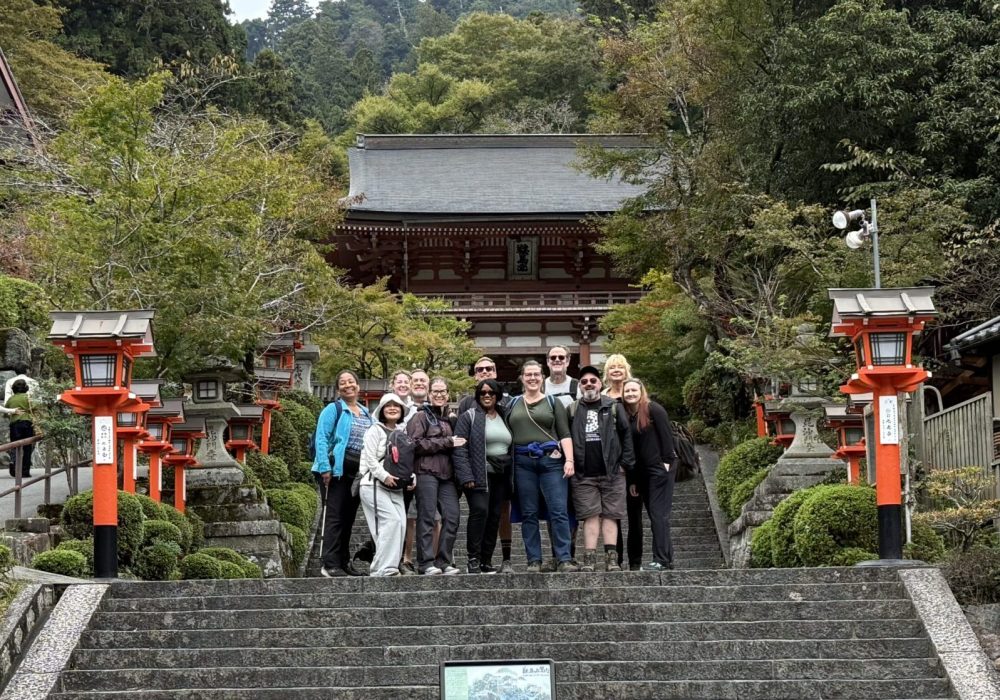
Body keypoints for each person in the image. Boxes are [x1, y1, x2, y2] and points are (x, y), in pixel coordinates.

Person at [509, 360, 578, 573]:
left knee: (558, 510)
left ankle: (564, 558)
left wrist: (569, 459)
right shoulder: (512, 404)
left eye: (536, 374)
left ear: (542, 377)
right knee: (529, 512)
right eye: (528, 374)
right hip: (522, 462)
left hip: (551, 461)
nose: (532, 378)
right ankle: (533, 560)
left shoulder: (552, 402)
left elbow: (564, 433)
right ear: (522, 377)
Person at [569, 366, 635, 572]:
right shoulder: (572, 409)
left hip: (612, 472)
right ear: (580, 386)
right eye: (584, 381)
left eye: (593, 380)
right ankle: (589, 558)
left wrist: (625, 464)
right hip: (583, 473)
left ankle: (611, 558)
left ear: (600, 384)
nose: (589, 384)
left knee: (610, 515)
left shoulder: (614, 406)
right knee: (590, 516)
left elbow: (626, 436)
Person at [456, 357, 515, 574]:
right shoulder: (469, 416)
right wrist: (465, 476)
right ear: (477, 395)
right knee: (479, 512)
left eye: (491, 393)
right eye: (483, 393)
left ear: (497, 394)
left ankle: (486, 560)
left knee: (495, 516)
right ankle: (473, 558)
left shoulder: (505, 414)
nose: (487, 396)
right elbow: (459, 448)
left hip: (501, 474)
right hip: (478, 474)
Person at [312, 370, 372, 577]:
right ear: (338, 389)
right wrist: (324, 468)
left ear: (358, 385)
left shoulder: (366, 413)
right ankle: (330, 563)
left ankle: (345, 562)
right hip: (335, 469)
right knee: (335, 516)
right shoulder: (333, 409)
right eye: (343, 383)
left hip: (358, 472)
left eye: (351, 381)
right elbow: (321, 438)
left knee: (348, 518)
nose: (348, 385)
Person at [408, 376, 464, 575]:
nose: (439, 395)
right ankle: (426, 563)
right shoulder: (421, 417)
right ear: (429, 395)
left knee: (452, 516)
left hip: (447, 476)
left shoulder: (450, 419)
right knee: (427, 517)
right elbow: (415, 444)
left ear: (448, 395)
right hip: (426, 472)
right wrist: (446, 442)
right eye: (436, 391)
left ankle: (444, 561)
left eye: (443, 391)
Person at [622, 378, 679, 571]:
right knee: (655, 514)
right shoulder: (630, 415)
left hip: (659, 469)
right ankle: (667, 558)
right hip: (642, 473)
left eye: (633, 390)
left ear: (641, 391)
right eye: (627, 391)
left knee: (658, 514)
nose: (630, 393)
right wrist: (634, 480)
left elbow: (666, 436)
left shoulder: (653, 409)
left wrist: (666, 463)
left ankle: (661, 559)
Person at [358, 392, 410, 577]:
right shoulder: (375, 430)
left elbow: (405, 461)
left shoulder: (402, 433)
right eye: (388, 405)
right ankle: (384, 568)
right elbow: (370, 459)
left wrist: (410, 478)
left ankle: (383, 567)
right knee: (391, 522)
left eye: (396, 405)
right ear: (381, 410)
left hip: (395, 487)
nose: (393, 408)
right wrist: (384, 475)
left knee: (401, 524)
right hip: (373, 484)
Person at [399, 369, 431, 574]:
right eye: (416, 380)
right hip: (407, 467)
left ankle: (432, 558)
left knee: (433, 515)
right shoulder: (402, 408)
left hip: (431, 468)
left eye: (423, 380)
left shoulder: (436, 408)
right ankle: (406, 557)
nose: (419, 383)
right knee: (409, 515)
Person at [5, 379, 36, 478]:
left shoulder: (11, 399)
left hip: (15, 425)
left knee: (14, 446)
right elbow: (35, 408)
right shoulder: (29, 397)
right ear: (26, 388)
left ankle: (14, 468)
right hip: (27, 423)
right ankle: (25, 471)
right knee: (27, 448)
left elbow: (7, 410)